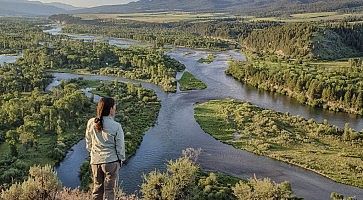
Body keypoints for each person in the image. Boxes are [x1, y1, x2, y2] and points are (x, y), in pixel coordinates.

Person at [85, 97, 125, 200]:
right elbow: (120, 147)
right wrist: (121, 160)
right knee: (109, 191)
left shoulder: (91, 122)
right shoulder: (116, 126)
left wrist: (93, 154)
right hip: (111, 162)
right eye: (114, 107)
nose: (115, 109)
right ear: (111, 109)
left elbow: (88, 142)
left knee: (97, 189)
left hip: (95, 161)